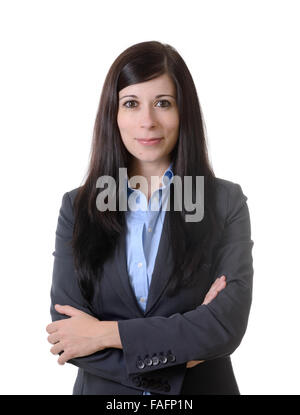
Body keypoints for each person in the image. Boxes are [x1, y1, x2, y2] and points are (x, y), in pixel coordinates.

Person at [46, 41, 254, 395]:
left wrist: (103, 334)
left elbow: (224, 325)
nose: (147, 121)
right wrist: (183, 351)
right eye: (131, 104)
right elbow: (68, 336)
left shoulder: (223, 202)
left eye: (163, 103)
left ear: (182, 111)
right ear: (113, 114)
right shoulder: (78, 208)